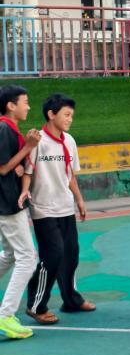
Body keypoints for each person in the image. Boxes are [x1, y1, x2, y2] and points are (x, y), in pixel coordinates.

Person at [21, 94, 95, 325]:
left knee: (71, 254)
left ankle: (71, 300)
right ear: (51, 114)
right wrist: (25, 192)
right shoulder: (37, 140)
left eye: (72, 115)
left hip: (65, 207)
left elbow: (69, 174)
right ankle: (36, 305)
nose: (70, 119)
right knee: (52, 255)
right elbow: (27, 172)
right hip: (43, 209)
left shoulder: (69, 141)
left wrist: (79, 200)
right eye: (66, 114)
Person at [0, 85, 41, 339]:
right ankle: (5, 315)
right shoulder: (4, 128)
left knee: (10, 255)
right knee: (27, 258)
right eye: (25, 102)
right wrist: (28, 147)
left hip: (7, 202)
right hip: (7, 204)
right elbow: (3, 168)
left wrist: (19, 160)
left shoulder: (8, 129)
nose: (28, 106)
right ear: (11, 105)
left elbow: (9, 165)